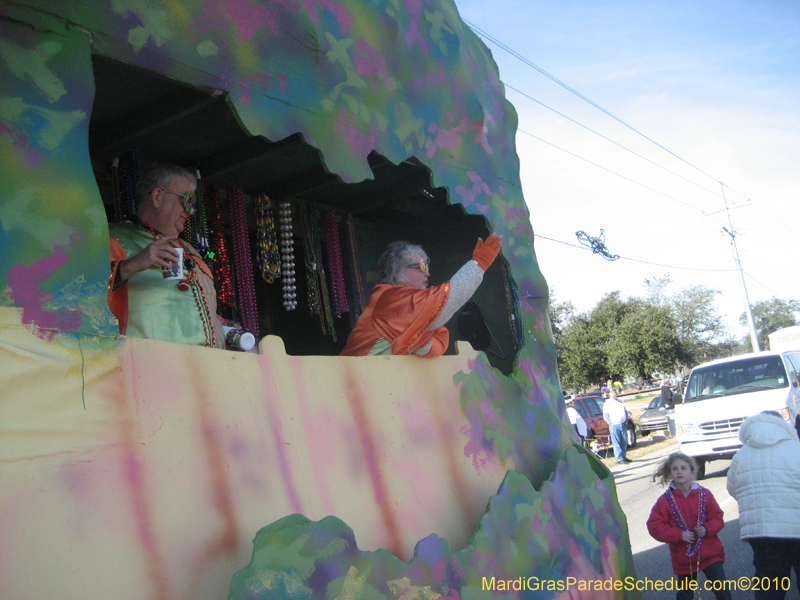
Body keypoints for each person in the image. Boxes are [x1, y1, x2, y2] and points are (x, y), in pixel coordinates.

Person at [107, 162, 226, 349]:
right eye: (186, 200)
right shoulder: (112, 239)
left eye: (193, 204)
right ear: (157, 197)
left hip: (206, 370)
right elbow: (78, 293)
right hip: (145, 368)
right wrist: (131, 265)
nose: (190, 211)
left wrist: (227, 328)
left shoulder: (192, 252)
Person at [340, 236, 502, 356]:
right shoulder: (388, 298)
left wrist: (418, 339)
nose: (427, 273)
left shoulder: (403, 310)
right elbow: (444, 303)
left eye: (427, 266)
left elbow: (432, 342)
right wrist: (480, 263)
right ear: (396, 272)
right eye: (421, 266)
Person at [727, 411, 800, 600]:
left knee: (770, 584)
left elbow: (733, 489)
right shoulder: (796, 448)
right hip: (797, 528)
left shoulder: (740, 456)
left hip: (761, 531)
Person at [647, 452, 732, 600]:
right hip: (684, 558)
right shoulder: (665, 501)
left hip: (711, 554)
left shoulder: (705, 494)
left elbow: (717, 517)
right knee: (686, 595)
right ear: (669, 475)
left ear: (693, 473)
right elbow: (654, 526)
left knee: (722, 592)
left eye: (684, 468)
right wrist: (679, 535)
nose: (679, 472)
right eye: (675, 469)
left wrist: (707, 529)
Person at [602, 390, 630, 464]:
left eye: (615, 392)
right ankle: (619, 458)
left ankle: (624, 456)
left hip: (622, 424)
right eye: (612, 393)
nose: (614, 394)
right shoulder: (608, 403)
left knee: (624, 441)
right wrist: (610, 423)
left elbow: (625, 411)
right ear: (609, 394)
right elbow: (605, 415)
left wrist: (626, 420)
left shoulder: (620, 401)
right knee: (616, 442)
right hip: (614, 425)